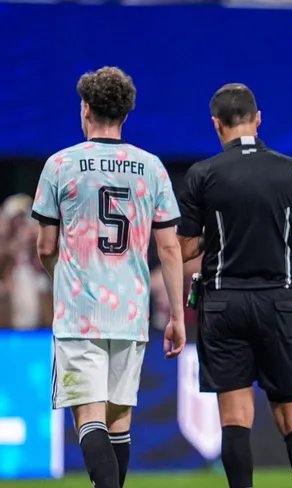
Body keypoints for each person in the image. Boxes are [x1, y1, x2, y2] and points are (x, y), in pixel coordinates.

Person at [31, 66, 186, 488]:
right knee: (118, 420)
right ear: (126, 113)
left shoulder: (60, 165)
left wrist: (64, 280)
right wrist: (176, 315)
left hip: (80, 312)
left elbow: (45, 247)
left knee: (89, 416)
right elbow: (169, 248)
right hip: (131, 310)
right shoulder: (151, 167)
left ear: (85, 108)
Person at [175, 83, 292, 488]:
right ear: (257, 120)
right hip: (279, 301)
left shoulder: (203, 173)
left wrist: (216, 235)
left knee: (235, 418)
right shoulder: (290, 169)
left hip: (224, 304)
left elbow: (184, 247)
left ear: (216, 124)